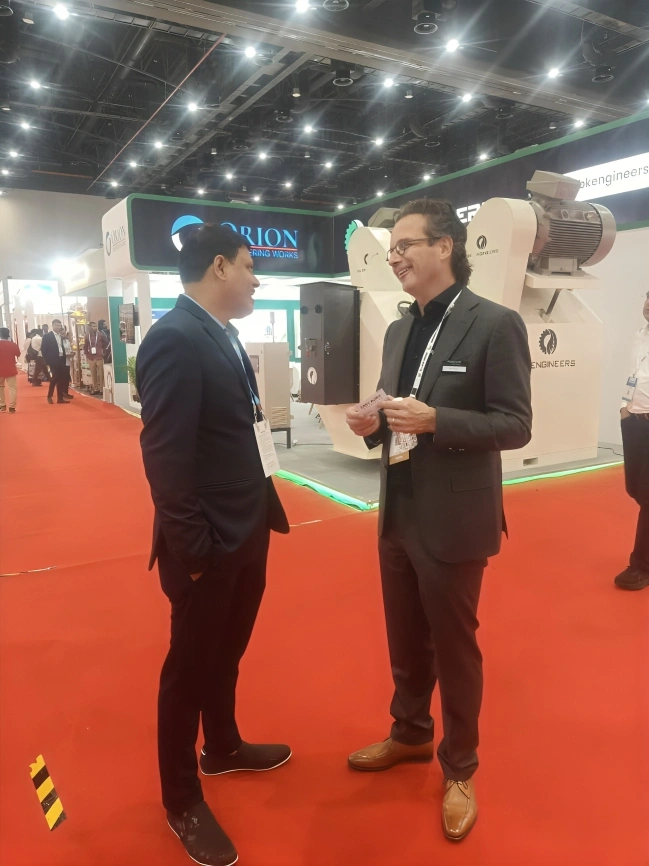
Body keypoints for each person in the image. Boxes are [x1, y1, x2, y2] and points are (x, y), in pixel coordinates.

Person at [345, 199, 533, 842]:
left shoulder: (495, 324)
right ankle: (410, 734)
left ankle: (460, 767)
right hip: (397, 508)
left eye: (405, 245)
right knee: (404, 637)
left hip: (455, 515)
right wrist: (372, 424)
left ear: (445, 246)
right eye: (392, 248)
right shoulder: (400, 331)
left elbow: (515, 424)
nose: (394, 256)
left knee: (454, 646)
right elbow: (392, 411)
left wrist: (437, 421)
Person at [136, 223, 291, 866]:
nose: (256, 279)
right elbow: (164, 457)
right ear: (220, 267)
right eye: (250, 266)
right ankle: (181, 799)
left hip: (246, 528)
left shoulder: (221, 334)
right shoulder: (174, 338)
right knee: (189, 670)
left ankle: (222, 745)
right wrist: (195, 551)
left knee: (227, 652)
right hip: (208, 542)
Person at [616, 290, 649, 591]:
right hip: (634, 419)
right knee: (635, 489)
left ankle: (641, 565)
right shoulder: (641, 334)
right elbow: (634, 374)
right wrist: (624, 407)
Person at [41, 319, 72, 405]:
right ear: (52, 326)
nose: (58, 327)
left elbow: (61, 347)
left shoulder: (60, 336)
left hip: (62, 359)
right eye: (56, 325)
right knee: (55, 378)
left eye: (59, 325)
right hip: (53, 360)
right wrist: (47, 361)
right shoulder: (47, 336)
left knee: (61, 378)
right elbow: (44, 349)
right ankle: (49, 396)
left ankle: (60, 398)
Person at [0, 327, 21, 414]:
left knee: (0, 387)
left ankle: (2, 405)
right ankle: (12, 407)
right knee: (12, 388)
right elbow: (18, 354)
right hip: (11, 369)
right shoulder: (13, 344)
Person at [84, 322, 108, 394]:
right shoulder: (87, 336)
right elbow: (85, 346)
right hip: (91, 357)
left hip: (99, 357)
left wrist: (103, 352)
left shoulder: (100, 335)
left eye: (96, 326)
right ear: (90, 327)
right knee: (93, 374)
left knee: (101, 374)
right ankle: (95, 388)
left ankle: (101, 389)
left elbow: (106, 343)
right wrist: (87, 354)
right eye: (93, 326)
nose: (95, 328)